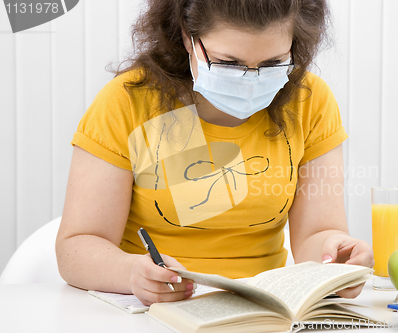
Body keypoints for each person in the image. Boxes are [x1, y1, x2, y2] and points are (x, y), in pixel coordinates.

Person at [56, 0, 374, 306]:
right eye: (229, 63)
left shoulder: (309, 102)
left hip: (262, 313)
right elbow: (77, 247)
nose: (251, 82)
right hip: (151, 313)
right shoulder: (127, 104)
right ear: (187, 36)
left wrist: (336, 258)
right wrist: (132, 274)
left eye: (273, 64)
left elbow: (316, 235)